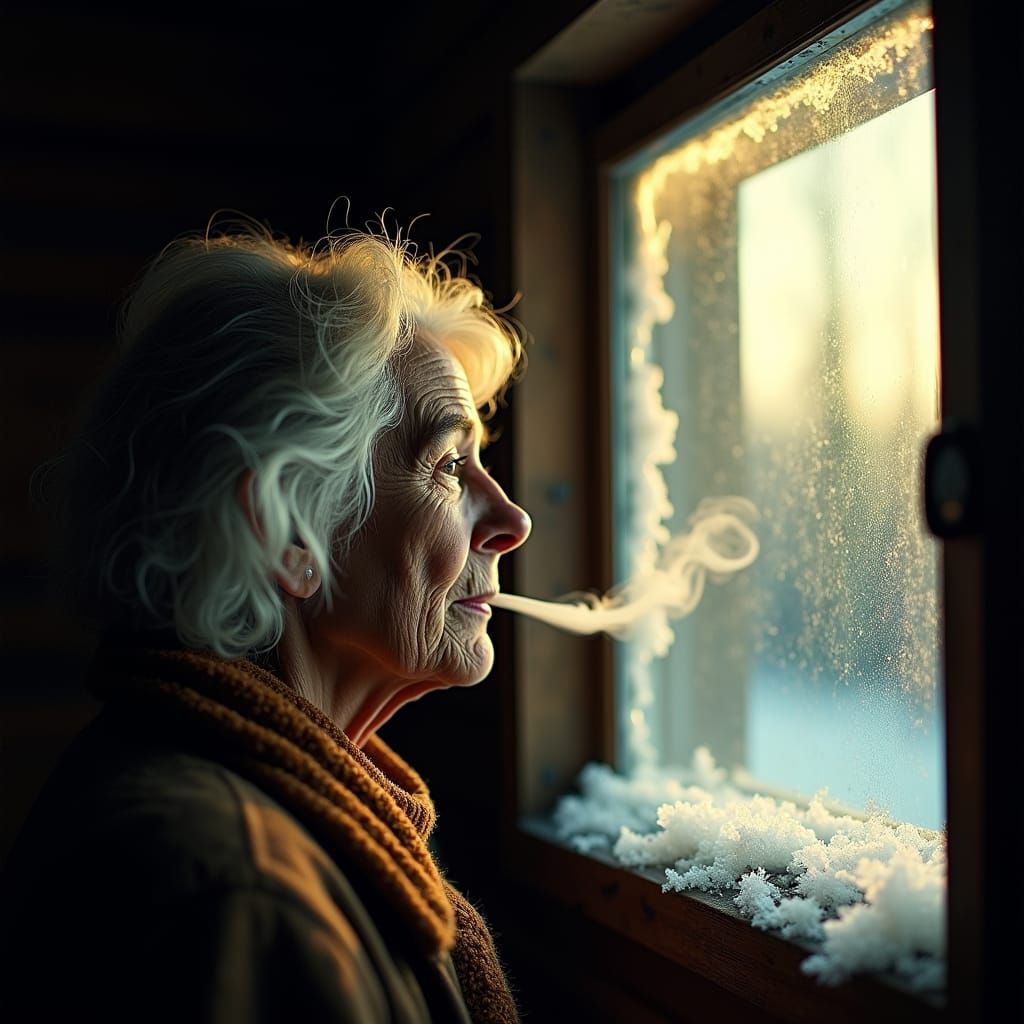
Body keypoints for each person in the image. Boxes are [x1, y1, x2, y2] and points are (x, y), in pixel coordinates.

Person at [0, 216, 532, 1023]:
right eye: (449, 466)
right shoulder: (230, 891)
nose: (511, 519)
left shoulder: (198, 800)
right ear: (289, 533)